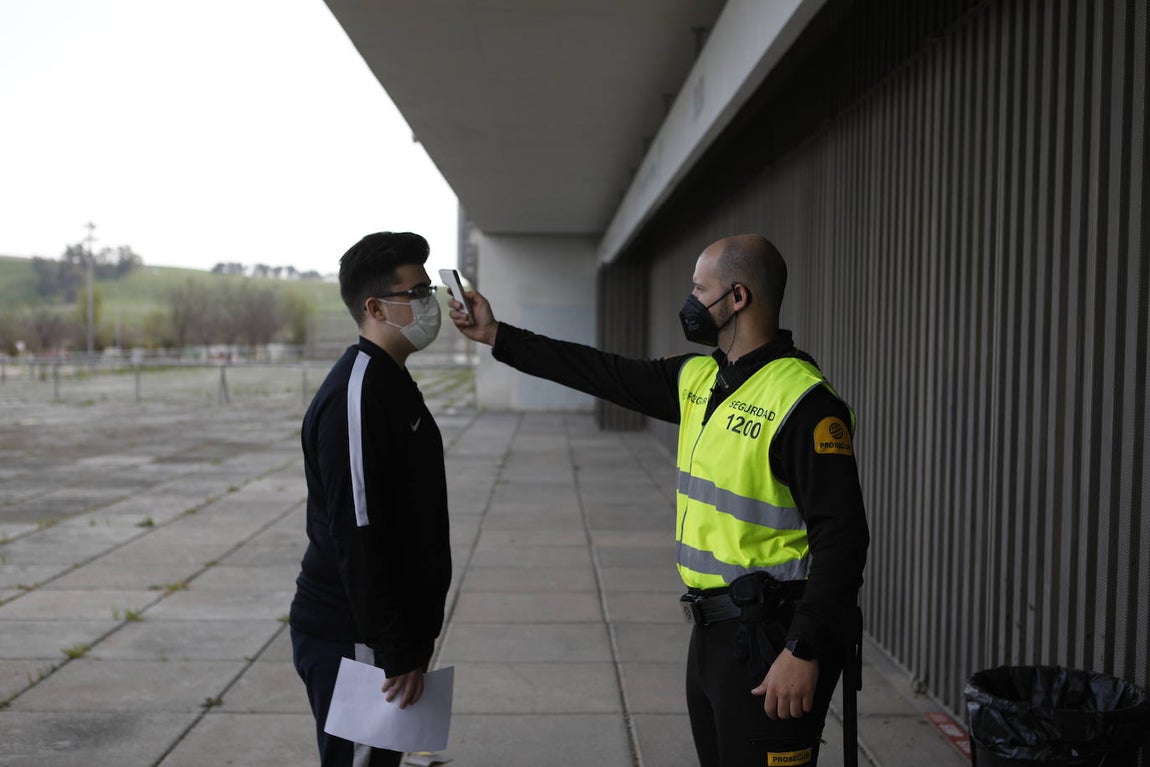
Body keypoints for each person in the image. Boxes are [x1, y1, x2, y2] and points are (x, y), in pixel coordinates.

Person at [447, 234, 868, 767]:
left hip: (774, 637)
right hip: (714, 631)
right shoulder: (700, 377)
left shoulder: (804, 403)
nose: (691, 301)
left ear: (737, 297)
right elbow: (597, 369)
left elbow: (843, 539)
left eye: (700, 289)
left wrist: (802, 649)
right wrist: (496, 335)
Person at [289, 231, 452, 767]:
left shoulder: (390, 379)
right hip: (355, 635)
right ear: (375, 307)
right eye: (417, 293)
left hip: (385, 632)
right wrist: (394, 649)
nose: (430, 304)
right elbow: (356, 528)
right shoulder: (356, 393)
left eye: (429, 290)